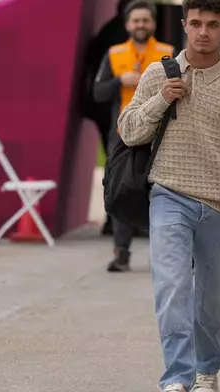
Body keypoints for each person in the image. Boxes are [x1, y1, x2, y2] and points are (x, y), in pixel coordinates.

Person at [118, 0, 220, 389]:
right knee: (171, 286)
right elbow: (129, 130)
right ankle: (177, 379)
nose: (203, 31)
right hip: (169, 195)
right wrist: (161, 99)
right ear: (185, 25)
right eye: (196, 23)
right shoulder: (159, 73)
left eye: (212, 24)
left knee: (213, 299)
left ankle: (208, 370)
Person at [94, 0, 175, 272]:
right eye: (136, 21)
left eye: (145, 20)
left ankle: (164, 255)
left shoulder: (168, 53)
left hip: (160, 136)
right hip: (123, 137)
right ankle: (121, 252)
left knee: (163, 194)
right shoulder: (114, 54)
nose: (141, 25)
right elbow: (98, 93)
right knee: (121, 192)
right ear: (128, 24)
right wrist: (119, 81)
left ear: (153, 23)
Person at [82, 0, 134, 236]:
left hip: (110, 108)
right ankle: (117, 221)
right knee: (119, 166)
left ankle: (117, 221)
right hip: (112, 109)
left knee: (120, 166)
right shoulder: (117, 36)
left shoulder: (111, 30)